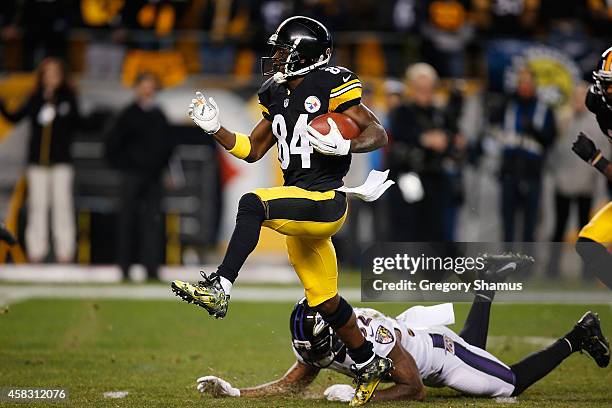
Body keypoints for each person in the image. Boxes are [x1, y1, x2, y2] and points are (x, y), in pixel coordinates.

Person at [171, 16, 393, 406]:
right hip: (299, 201)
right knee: (326, 301)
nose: (275, 58)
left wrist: (346, 146)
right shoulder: (274, 93)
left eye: (283, 51)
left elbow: (377, 133)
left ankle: (220, 287)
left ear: (306, 55)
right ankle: (369, 362)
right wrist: (215, 129)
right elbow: (252, 149)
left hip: (325, 200)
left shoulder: (332, 83)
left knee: (252, 202)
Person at [195, 254, 609, 403]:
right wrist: (236, 392)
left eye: (321, 350)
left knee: (508, 384)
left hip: (436, 355)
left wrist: (363, 398)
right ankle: (484, 286)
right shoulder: (325, 336)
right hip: (412, 334)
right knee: (477, 355)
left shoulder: (374, 338)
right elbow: (294, 384)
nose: (317, 360)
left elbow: (415, 389)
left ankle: (579, 335)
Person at [0, 57, 79, 263]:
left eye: (55, 74)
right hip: (37, 163)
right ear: (42, 77)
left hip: (61, 162)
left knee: (62, 205)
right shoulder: (35, 98)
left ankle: (65, 251)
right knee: (37, 206)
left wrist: (59, 107)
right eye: (47, 74)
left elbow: (77, 122)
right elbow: (14, 117)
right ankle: (36, 251)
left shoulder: (68, 98)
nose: (51, 78)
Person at [105, 72, 173, 281]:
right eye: (144, 85)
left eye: (151, 86)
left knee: (152, 223)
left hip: (153, 177)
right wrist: (124, 167)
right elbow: (112, 145)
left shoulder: (159, 115)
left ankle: (151, 268)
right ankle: (124, 268)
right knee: (127, 221)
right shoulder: (128, 115)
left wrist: (163, 169)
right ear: (137, 88)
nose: (148, 90)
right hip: (132, 176)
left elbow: (168, 145)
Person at [387, 63, 464, 241]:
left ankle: (431, 266)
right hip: (409, 174)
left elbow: (455, 138)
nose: (425, 92)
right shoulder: (402, 111)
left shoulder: (439, 113)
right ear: (411, 88)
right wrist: (424, 139)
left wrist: (450, 141)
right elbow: (398, 137)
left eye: (429, 88)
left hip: (435, 174)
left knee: (435, 226)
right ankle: (405, 265)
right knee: (408, 223)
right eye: (420, 88)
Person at [492, 67, 556, 242]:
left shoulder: (544, 109)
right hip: (509, 169)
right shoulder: (508, 104)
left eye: (528, 82)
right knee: (508, 222)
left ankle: (527, 266)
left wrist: (534, 131)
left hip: (532, 171)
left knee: (530, 223)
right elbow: (492, 121)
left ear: (535, 84)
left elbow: (551, 138)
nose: (525, 86)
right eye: (521, 82)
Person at [571, 46, 612, 289]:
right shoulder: (598, 103)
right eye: (607, 84)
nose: (608, 91)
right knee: (588, 243)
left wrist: (596, 159)